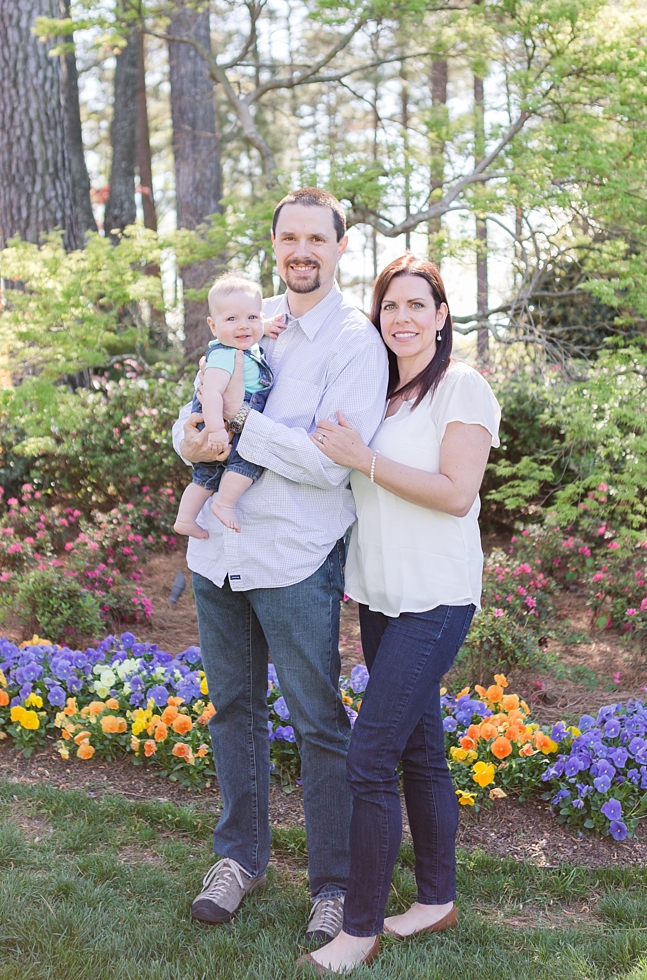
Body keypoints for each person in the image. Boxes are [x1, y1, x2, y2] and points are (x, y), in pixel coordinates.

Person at [171, 188, 388, 941]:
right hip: (218, 555)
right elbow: (192, 414)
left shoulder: (356, 343)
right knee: (233, 709)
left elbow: (331, 466)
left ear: (338, 248)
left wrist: (240, 425)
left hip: (295, 558)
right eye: (288, 238)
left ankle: (332, 885)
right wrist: (195, 436)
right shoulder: (244, 319)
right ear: (274, 245)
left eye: (315, 239)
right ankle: (239, 858)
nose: (301, 251)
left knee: (318, 721)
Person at [300, 254, 501, 973]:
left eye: (417, 305)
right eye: (389, 307)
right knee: (420, 752)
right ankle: (435, 902)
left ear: (441, 316)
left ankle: (358, 928)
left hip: (436, 598)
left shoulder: (462, 387)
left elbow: (456, 493)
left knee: (369, 757)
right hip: (380, 598)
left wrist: (366, 459)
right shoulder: (377, 390)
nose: (403, 318)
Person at [173, 274, 275, 538]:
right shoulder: (222, 355)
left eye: (252, 318)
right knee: (248, 461)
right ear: (213, 325)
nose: (243, 326)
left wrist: (266, 325)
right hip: (217, 420)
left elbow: (252, 327)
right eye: (231, 319)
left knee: (206, 475)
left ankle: (185, 518)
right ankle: (224, 503)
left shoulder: (243, 345)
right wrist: (217, 429)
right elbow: (213, 395)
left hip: (227, 420)